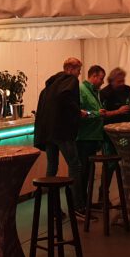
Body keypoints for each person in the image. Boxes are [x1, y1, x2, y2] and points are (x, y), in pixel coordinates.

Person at [33, 57, 87, 209]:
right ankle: (77, 206)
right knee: (75, 165)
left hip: (47, 133)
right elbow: (64, 97)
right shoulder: (70, 80)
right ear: (70, 69)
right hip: (62, 132)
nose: (79, 74)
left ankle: (53, 208)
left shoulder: (49, 86)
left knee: (52, 167)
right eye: (78, 70)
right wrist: (78, 112)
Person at [76, 65, 106, 211]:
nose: (102, 82)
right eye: (101, 78)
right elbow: (79, 112)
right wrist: (96, 114)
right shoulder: (82, 90)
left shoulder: (93, 92)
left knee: (88, 172)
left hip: (92, 137)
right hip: (84, 138)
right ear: (93, 76)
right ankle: (80, 205)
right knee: (83, 173)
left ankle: (86, 202)